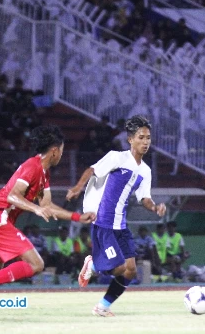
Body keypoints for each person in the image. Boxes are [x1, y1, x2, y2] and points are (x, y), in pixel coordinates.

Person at [0, 125, 94, 292]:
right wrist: (36, 209)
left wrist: (77, 217)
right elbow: (12, 196)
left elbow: (46, 206)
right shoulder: (32, 167)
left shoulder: (43, 173)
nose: (62, 155)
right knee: (36, 264)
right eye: (62, 151)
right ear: (55, 151)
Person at [66, 115, 167, 317]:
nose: (145, 141)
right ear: (130, 139)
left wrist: (155, 207)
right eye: (141, 137)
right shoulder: (117, 158)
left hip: (121, 225)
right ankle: (92, 264)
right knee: (120, 267)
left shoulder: (145, 171)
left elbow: (144, 198)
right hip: (103, 223)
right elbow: (92, 170)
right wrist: (77, 188)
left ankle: (102, 306)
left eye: (148, 137)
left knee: (131, 271)